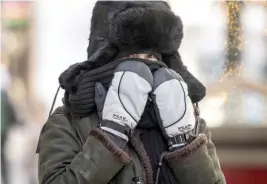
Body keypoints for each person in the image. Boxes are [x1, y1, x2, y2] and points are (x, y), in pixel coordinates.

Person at [36, 1, 226, 184]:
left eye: (151, 56)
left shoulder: (189, 119)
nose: (142, 67)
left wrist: (184, 142)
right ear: (103, 59)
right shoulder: (69, 121)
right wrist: (111, 133)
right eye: (130, 57)